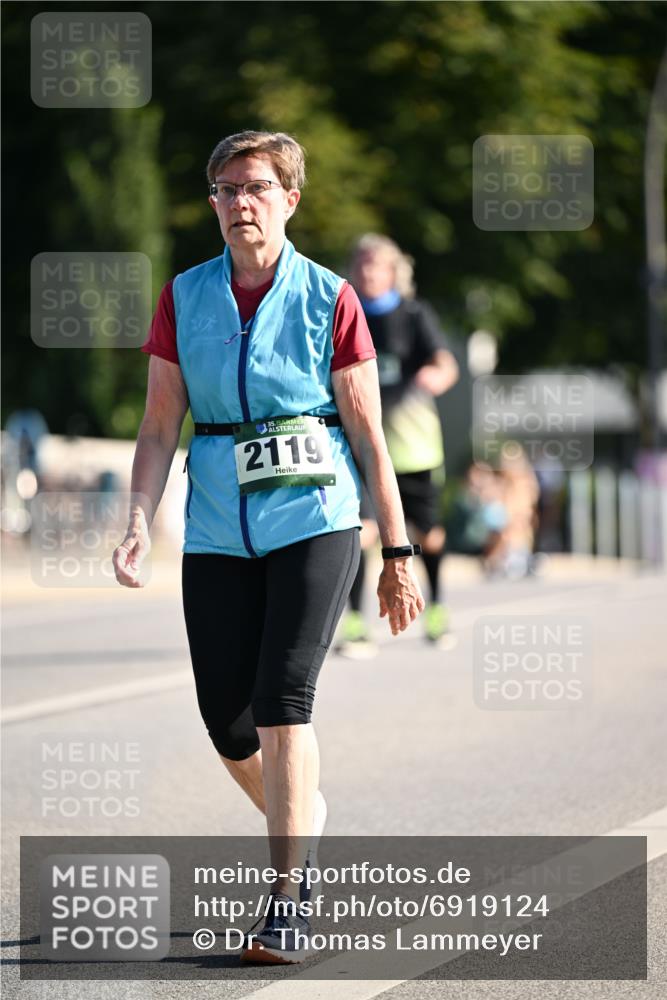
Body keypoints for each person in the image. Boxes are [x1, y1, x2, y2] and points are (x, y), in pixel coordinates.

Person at [111, 132, 425, 964]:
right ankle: (304, 812)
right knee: (227, 721)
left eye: (254, 187)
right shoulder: (185, 296)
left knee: (286, 701)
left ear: (290, 198)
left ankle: (287, 900)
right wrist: (139, 515)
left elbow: (367, 434)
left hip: (314, 520)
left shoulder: (329, 298)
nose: (237, 203)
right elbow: (155, 425)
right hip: (216, 525)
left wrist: (397, 552)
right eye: (223, 190)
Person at [337, 234, 459, 654]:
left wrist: (437, 376)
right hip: (363, 447)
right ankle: (354, 622)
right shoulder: (344, 313)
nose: (368, 272)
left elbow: (445, 362)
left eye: (377, 265)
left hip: (414, 446)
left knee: (428, 535)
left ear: (394, 272)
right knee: (362, 533)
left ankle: (437, 609)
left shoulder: (413, 314)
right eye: (362, 264)